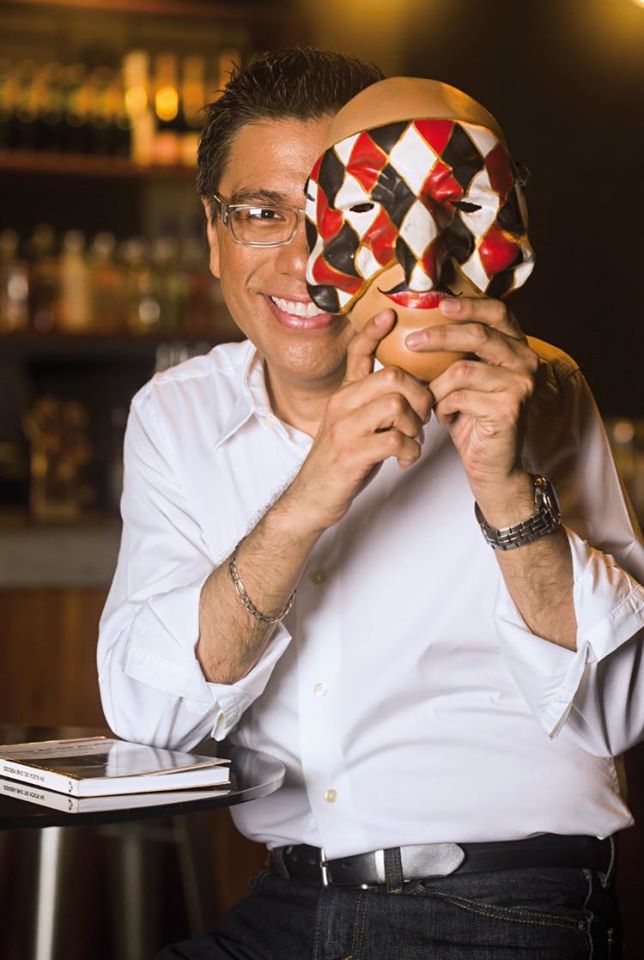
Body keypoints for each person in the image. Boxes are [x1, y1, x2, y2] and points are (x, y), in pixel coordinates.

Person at [97, 48, 644, 959]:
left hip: (500, 908)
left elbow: (617, 712)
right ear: (213, 232)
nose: (307, 262)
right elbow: (150, 716)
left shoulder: (533, 390)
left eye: (343, 215)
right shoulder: (177, 417)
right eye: (265, 214)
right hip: (285, 906)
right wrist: (308, 499)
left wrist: (507, 486)